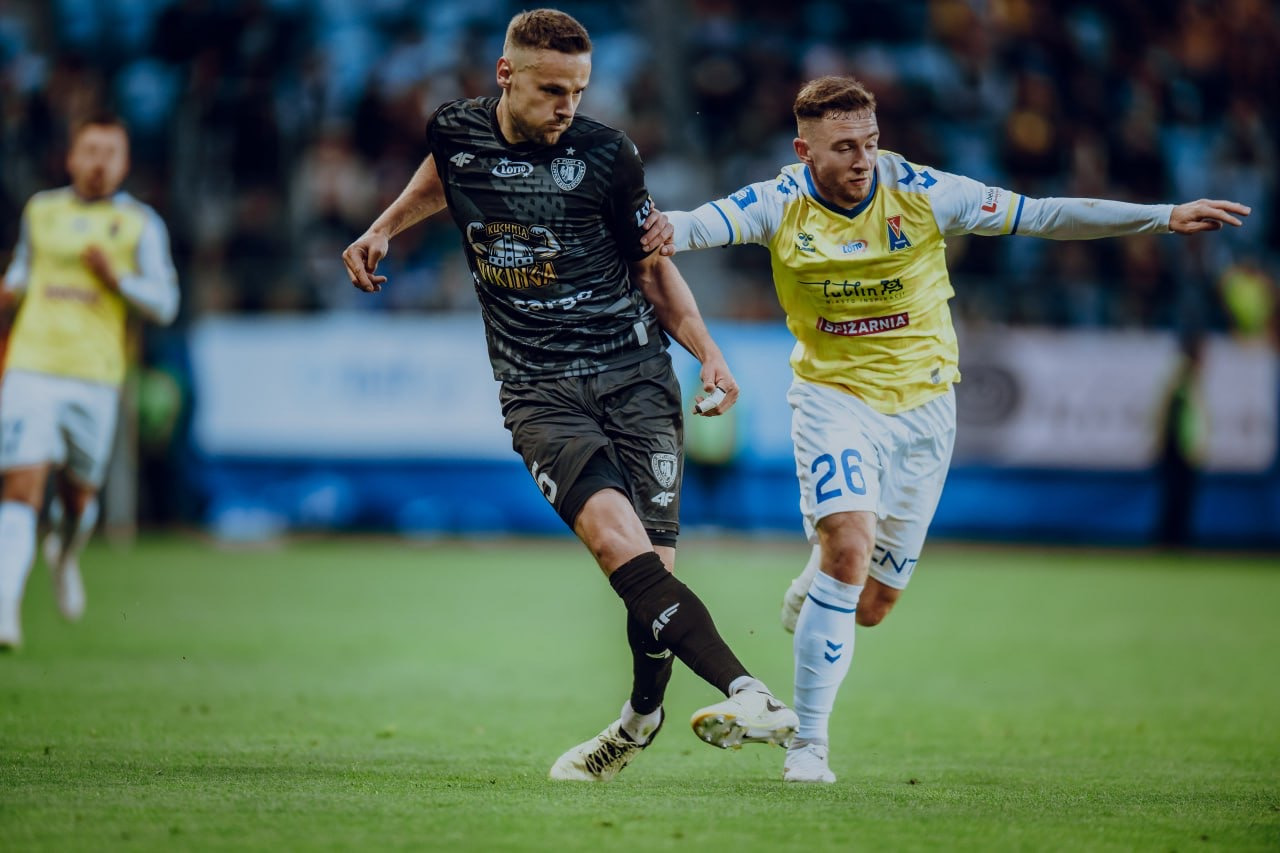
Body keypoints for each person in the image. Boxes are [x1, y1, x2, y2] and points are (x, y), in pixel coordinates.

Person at [657, 75, 1250, 783]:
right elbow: (689, 227)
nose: (862, 159)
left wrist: (1163, 216)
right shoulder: (778, 202)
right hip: (834, 398)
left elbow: (1043, 215)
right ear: (803, 150)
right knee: (850, 547)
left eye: (870, 142)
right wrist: (643, 221)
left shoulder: (924, 192)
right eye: (844, 147)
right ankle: (808, 745)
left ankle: (821, 569)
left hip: (926, 410)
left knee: (872, 606)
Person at [341, 8, 797, 782]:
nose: (567, 106)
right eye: (552, 90)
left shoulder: (608, 155)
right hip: (538, 387)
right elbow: (446, 172)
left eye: (578, 91)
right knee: (618, 547)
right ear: (505, 75)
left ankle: (639, 719)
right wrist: (386, 226)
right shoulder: (454, 130)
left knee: (650, 583)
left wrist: (710, 354)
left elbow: (651, 268)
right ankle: (750, 691)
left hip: (636, 375)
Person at [0, 112, 180, 649]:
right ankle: (5, 608)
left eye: (110, 153)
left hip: (96, 377)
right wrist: (9, 288)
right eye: (91, 151)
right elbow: (24, 271)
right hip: (31, 366)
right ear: (72, 157)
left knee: (78, 501)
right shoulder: (41, 210)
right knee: (21, 486)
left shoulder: (141, 225)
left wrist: (115, 278)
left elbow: (166, 304)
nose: (99, 163)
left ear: (124, 164)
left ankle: (64, 553)